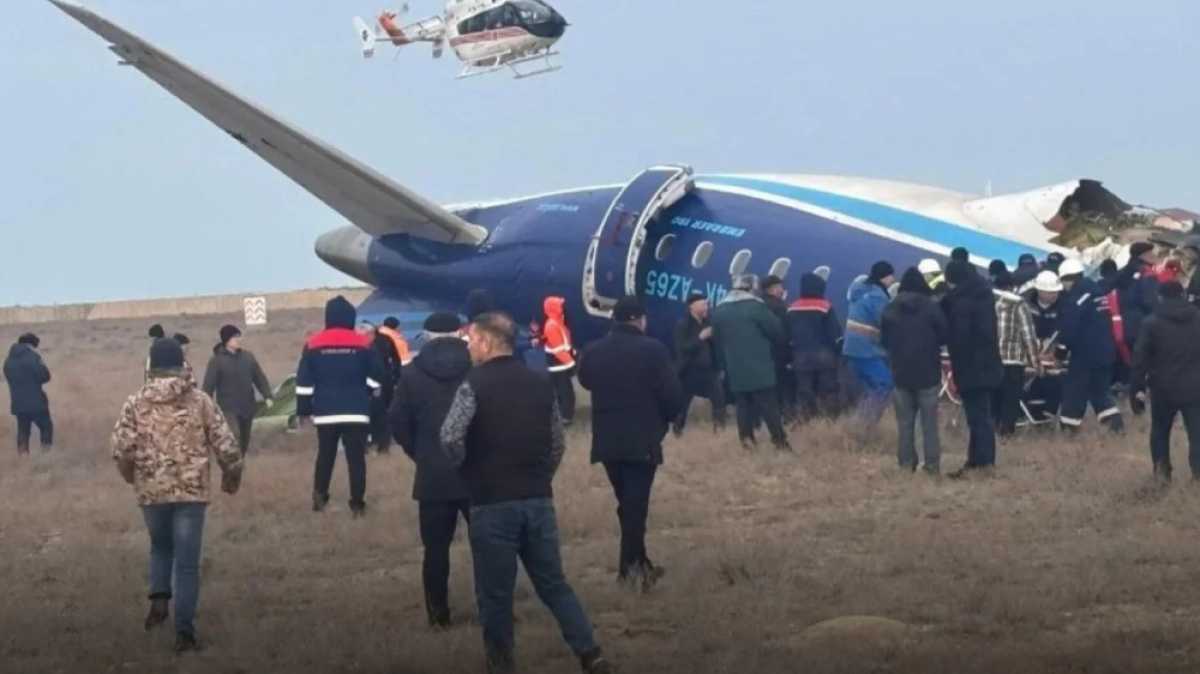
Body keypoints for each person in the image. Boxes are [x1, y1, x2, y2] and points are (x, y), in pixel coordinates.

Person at [439, 312, 612, 674]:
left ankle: (501, 665)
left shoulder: (474, 384)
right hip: (537, 499)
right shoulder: (538, 383)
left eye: (471, 340)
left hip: (492, 503)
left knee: (495, 596)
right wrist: (540, 476)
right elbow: (557, 443)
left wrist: (468, 471)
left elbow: (450, 436)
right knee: (554, 584)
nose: (469, 347)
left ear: (486, 342)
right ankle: (590, 653)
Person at [111, 337, 242, 653]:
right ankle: (184, 633)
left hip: (152, 492)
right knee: (186, 564)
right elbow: (227, 446)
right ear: (181, 364)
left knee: (160, 547)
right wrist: (231, 478)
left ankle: (158, 605)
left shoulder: (135, 402)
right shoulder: (200, 401)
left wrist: (132, 477)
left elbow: (121, 450)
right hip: (190, 493)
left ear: (151, 366)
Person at [579, 297, 684, 590]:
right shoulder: (653, 350)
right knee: (636, 506)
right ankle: (629, 571)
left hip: (607, 440)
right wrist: (666, 420)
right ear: (639, 319)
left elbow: (585, 380)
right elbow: (672, 394)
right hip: (642, 439)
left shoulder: (594, 350)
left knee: (627, 503)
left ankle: (641, 563)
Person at [389, 312, 473, 628]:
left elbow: (397, 421)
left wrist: (420, 453)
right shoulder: (475, 367)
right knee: (488, 547)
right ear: (460, 333)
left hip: (433, 475)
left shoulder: (412, 375)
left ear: (425, 336)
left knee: (435, 551)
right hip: (475, 472)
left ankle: (438, 616)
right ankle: (495, 608)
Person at [297, 296, 387, 517]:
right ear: (351, 317)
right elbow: (378, 375)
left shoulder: (313, 344)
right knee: (356, 459)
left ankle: (320, 501)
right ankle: (357, 504)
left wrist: (304, 411)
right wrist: (365, 391)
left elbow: (304, 382)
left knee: (325, 457)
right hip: (356, 411)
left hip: (325, 413)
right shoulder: (364, 343)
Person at [1130, 282, 1200, 483]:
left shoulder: (1151, 322)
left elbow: (1139, 359)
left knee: (1160, 432)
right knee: (1197, 434)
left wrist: (1137, 389)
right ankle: (1198, 476)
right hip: (1195, 387)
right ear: (1183, 295)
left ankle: (1162, 475)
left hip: (1163, 387)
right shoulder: (1198, 318)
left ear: (1160, 297)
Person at [711, 274, 791, 451]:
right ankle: (779, 441)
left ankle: (747, 441)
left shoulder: (719, 310)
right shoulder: (756, 308)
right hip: (760, 365)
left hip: (734, 367)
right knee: (769, 406)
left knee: (743, 405)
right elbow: (777, 332)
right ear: (751, 289)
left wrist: (722, 366)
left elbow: (717, 341)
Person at [881, 269, 947, 474]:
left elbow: (884, 341)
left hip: (900, 374)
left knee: (905, 424)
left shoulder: (890, 308)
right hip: (928, 373)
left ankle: (906, 465)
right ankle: (932, 466)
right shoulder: (931, 307)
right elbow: (944, 335)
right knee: (929, 424)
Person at [942, 260, 1003, 476]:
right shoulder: (983, 296)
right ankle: (977, 461)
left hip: (971, 367)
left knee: (978, 417)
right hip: (987, 365)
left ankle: (983, 463)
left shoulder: (962, 302)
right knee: (980, 415)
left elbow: (959, 336)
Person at [1057, 259, 1124, 433]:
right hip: (1106, 350)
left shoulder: (1078, 297)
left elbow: (1069, 326)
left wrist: (1061, 351)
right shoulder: (1097, 291)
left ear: (1068, 279)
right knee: (1099, 390)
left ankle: (1068, 427)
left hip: (1086, 353)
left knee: (1074, 389)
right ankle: (1115, 423)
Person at [202, 325, 273, 456]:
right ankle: (234, 465)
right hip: (228, 409)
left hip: (247, 407)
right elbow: (208, 386)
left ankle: (239, 464)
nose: (238, 339)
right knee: (235, 437)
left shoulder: (248, 357)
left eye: (239, 336)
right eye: (235, 337)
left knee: (244, 441)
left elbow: (259, 377)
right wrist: (206, 407)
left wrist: (267, 395)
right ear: (226, 340)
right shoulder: (216, 361)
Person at [843, 261, 895, 426]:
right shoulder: (877, 296)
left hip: (852, 348)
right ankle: (862, 424)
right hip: (867, 349)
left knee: (871, 389)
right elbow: (885, 322)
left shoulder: (860, 291)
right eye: (891, 275)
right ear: (884, 276)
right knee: (885, 383)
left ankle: (863, 427)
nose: (893, 280)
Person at [787, 272, 843, 421]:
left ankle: (808, 421)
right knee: (828, 391)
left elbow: (786, 333)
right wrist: (839, 351)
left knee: (805, 392)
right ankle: (830, 422)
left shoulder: (792, 307)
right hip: (824, 357)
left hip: (800, 358)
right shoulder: (825, 306)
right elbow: (835, 334)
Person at [992, 270, 1041, 436]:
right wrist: (1036, 362)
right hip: (1014, 360)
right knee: (1011, 398)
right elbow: (1028, 335)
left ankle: (993, 428)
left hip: (992, 359)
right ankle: (1007, 431)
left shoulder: (987, 301)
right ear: (1012, 286)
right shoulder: (1018, 304)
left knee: (995, 397)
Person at [672, 291, 727, 434]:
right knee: (682, 405)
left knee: (719, 400)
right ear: (692, 306)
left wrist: (719, 366)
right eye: (703, 304)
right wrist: (700, 338)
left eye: (707, 304)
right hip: (689, 371)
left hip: (709, 371)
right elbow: (682, 348)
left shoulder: (709, 322)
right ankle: (677, 431)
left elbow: (717, 347)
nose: (706, 307)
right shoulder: (683, 324)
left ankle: (719, 432)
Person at [1109, 242, 1159, 377]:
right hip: (1140, 323)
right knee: (1139, 361)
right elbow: (1150, 301)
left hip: (1119, 322)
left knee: (1122, 357)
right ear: (1143, 256)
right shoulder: (1148, 274)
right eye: (1151, 253)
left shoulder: (1123, 271)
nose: (1154, 256)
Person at [4, 333, 53, 454]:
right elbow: (45, 376)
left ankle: (23, 458)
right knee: (46, 427)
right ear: (30, 344)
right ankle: (46, 455)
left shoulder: (8, 360)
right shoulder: (33, 357)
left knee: (23, 430)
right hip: (36, 402)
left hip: (18, 403)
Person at [359, 321, 397, 454]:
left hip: (377, 389)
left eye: (363, 335)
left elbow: (379, 371)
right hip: (370, 389)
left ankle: (382, 446)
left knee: (379, 417)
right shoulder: (367, 348)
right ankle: (371, 444)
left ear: (371, 334)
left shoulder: (373, 349)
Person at [761, 275, 796, 421]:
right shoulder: (781, 307)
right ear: (774, 289)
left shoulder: (758, 305)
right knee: (784, 388)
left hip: (762, 355)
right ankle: (787, 418)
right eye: (781, 287)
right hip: (779, 354)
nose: (783, 290)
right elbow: (786, 332)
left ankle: (768, 418)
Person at [541, 296, 577, 426]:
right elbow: (558, 350)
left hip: (561, 364)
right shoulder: (552, 325)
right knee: (564, 392)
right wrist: (572, 363)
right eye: (560, 305)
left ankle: (564, 415)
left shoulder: (557, 321)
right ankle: (565, 416)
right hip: (558, 366)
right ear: (554, 308)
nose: (563, 307)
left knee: (564, 391)